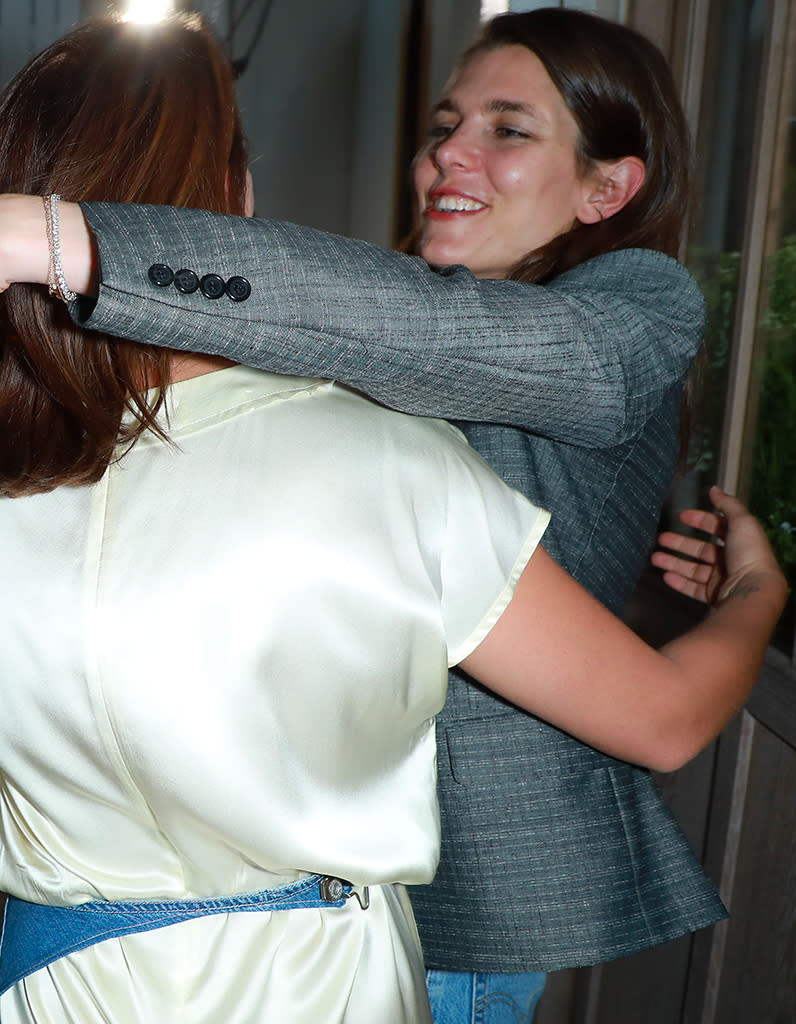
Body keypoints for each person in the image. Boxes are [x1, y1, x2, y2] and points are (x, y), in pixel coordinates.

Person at [0, 9, 780, 1023]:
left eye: (508, 129)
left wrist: (63, 238)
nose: (449, 150)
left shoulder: (632, 306)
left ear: (607, 187)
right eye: (446, 123)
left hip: (444, 896)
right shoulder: (374, 351)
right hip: (294, 881)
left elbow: (442, 340)